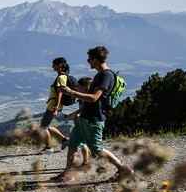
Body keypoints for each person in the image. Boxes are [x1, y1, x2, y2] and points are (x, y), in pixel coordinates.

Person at [53, 46, 134, 182]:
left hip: (94, 119)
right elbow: (89, 94)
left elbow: (94, 97)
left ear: (96, 60)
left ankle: (123, 169)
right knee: (73, 144)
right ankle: (67, 174)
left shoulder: (106, 75)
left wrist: (72, 93)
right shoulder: (100, 75)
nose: (88, 61)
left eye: (89, 59)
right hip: (85, 117)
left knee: (97, 149)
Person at [39, 57, 71, 152]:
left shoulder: (61, 77)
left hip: (53, 106)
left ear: (60, 65)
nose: (52, 66)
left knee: (43, 127)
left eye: (54, 64)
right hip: (53, 105)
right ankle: (64, 140)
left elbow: (60, 92)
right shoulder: (63, 76)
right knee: (47, 126)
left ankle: (49, 147)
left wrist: (56, 107)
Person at [62, 76, 93, 168]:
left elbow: (82, 110)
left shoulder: (86, 98)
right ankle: (85, 162)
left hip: (86, 122)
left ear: (85, 87)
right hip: (82, 121)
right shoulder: (83, 97)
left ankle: (91, 163)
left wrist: (72, 116)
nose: (77, 89)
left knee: (93, 146)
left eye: (79, 87)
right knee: (82, 143)